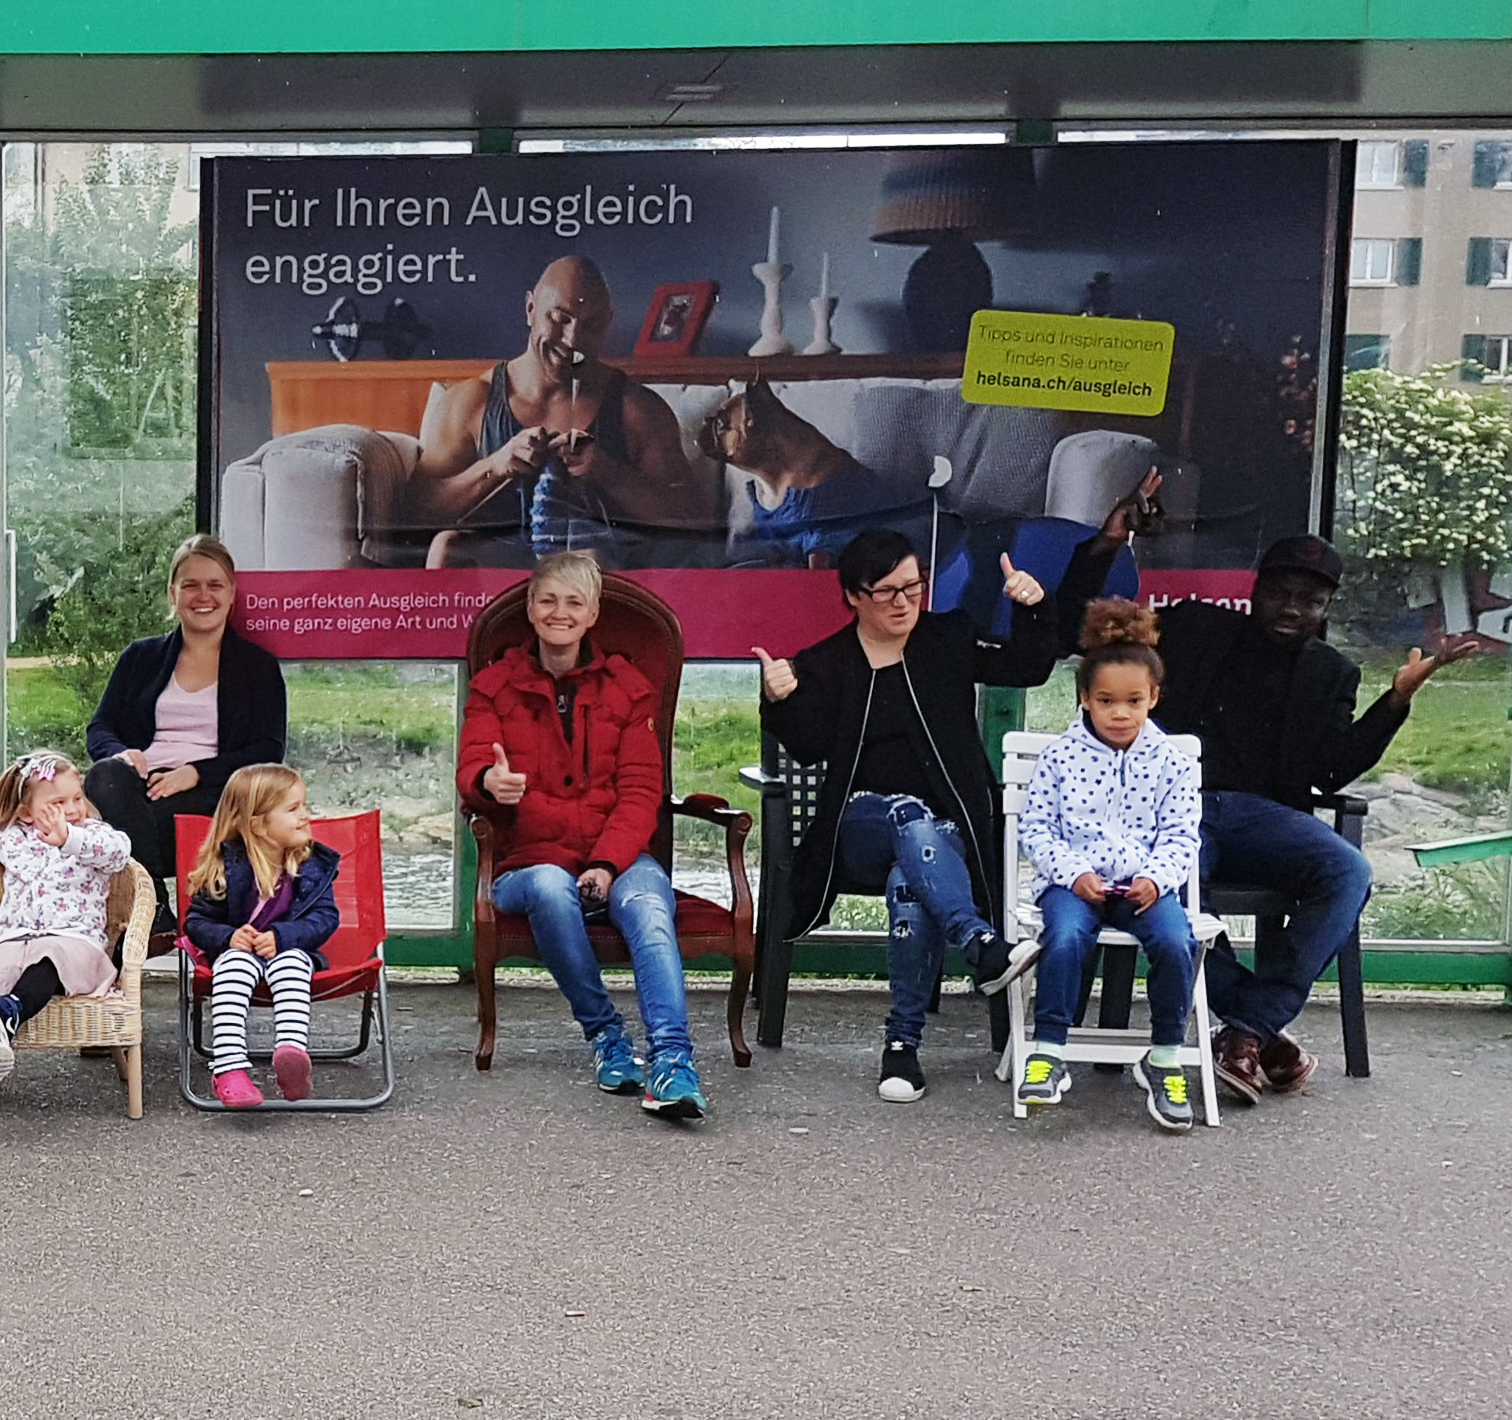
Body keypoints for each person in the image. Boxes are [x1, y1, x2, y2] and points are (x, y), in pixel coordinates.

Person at [1062, 527, 1479, 1099]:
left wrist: (1397, 700)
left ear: (1325, 608)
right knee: (1174, 891)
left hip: (1262, 817)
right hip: (1171, 809)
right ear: (1256, 590)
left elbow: (1331, 773)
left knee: (1349, 871)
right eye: (1281, 592)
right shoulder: (1194, 628)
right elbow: (1097, 640)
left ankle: (1249, 1025)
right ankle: (1258, 1028)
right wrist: (1110, 546)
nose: (1292, 608)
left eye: (1310, 600)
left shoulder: (1331, 673)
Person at [757, 528, 1112, 1104]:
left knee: (911, 885)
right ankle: (979, 942)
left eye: (914, 587)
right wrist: (784, 701)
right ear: (853, 596)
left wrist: (1032, 607)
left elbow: (1027, 666)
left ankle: (901, 1048)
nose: (904, 602)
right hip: (861, 827)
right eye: (887, 592)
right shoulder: (825, 662)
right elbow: (808, 748)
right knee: (906, 815)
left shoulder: (947, 638)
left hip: (942, 843)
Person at [458, 550, 706, 1123]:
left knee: (648, 904)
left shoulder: (629, 688)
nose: (559, 612)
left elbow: (642, 792)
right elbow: (471, 772)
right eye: (548, 600)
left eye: (574, 602)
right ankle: (607, 1036)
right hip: (530, 861)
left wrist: (608, 864)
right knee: (548, 886)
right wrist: (489, 783)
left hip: (616, 855)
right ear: (530, 608)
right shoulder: (494, 687)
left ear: (593, 614)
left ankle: (672, 1062)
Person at [1014, 600, 1204, 1133]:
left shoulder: (1171, 761)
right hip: (1074, 885)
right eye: (1105, 701)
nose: (1119, 713)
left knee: (1176, 942)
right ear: (1084, 699)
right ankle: (1049, 1049)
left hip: (1146, 886)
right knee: (1067, 936)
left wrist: (1156, 878)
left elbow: (1182, 834)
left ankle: (1165, 1054)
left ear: (1154, 698)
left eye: (1133, 701)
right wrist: (1073, 873)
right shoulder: (1060, 758)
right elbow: (1038, 829)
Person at [411, 256, 691, 568]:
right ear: (531, 309)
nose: (573, 339)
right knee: (447, 547)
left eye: (591, 325)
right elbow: (418, 513)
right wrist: (496, 465)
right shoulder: (471, 402)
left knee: (591, 560)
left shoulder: (637, 409)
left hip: (598, 569)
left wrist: (606, 472)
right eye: (560, 318)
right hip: (498, 566)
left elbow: (690, 518)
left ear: (608, 323)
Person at [83, 535, 287, 922]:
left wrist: (194, 774)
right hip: (138, 786)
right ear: (172, 594)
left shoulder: (258, 667)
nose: (202, 595)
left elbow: (267, 750)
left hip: (214, 791)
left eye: (215, 585)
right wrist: (122, 754)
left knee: (110, 830)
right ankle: (155, 903)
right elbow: (101, 726)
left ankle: (144, 906)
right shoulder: (139, 657)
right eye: (190, 585)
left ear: (232, 594)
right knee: (105, 775)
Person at [0, 750, 133, 1102]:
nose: (72, 809)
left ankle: (10, 1012)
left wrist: (69, 839)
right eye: (58, 803)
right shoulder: (9, 836)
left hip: (76, 943)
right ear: (24, 812)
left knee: (49, 958)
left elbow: (119, 853)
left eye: (77, 798)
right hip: (18, 939)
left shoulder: (92, 834)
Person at [180, 763, 341, 1109]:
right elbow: (196, 922)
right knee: (234, 965)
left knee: (294, 962)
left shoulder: (310, 863)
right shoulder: (225, 866)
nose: (305, 816)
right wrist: (228, 937)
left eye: (304, 805)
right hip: (238, 952)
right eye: (293, 808)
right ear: (258, 825)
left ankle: (292, 1053)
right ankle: (229, 1068)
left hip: (288, 949)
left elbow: (326, 917)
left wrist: (283, 936)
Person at [695, 378, 927, 566]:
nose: (713, 424)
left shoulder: (822, 489)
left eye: (723, 424)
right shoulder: (764, 487)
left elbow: (818, 579)